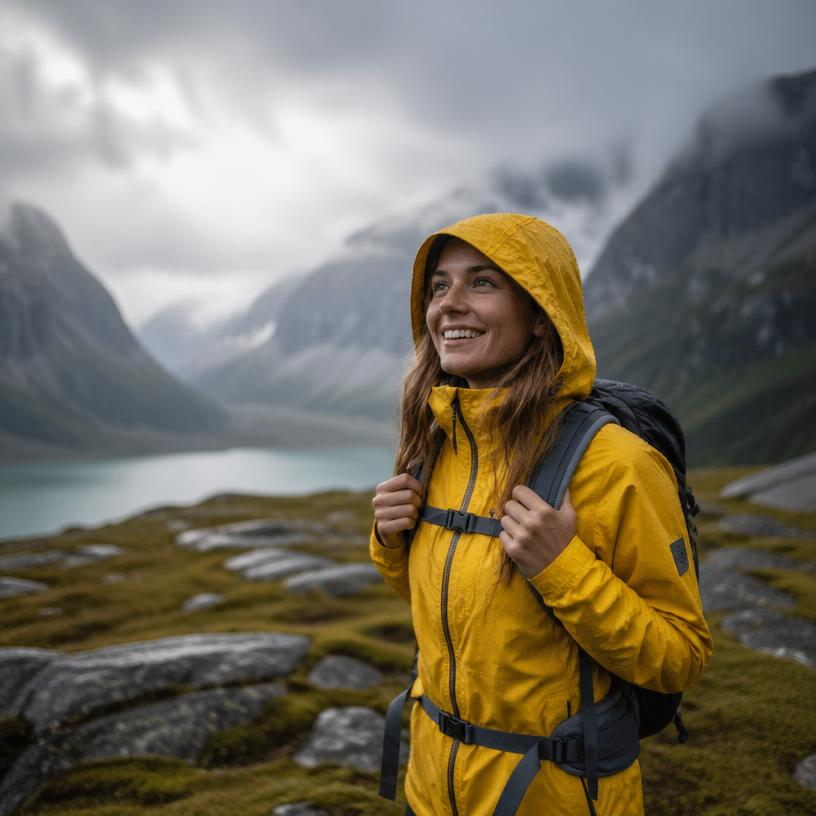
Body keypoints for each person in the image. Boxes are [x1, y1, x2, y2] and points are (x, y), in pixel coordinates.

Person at [369, 212, 712, 816]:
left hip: (555, 794)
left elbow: (678, 655)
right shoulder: (437, 444)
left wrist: (562, 568)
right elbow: (466, 613)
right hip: (432, 785)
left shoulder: (616, 463)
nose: (450, 304)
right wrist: (391, 544)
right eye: (438, 287)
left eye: (482, 283)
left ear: (539, 314)